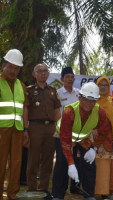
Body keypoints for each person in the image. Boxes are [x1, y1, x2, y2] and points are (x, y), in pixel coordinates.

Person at [59, 82, 112, 200]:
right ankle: (58, 195)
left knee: (90, 164)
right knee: (62, 163)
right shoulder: (70, 111)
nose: (89, 104)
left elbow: (104, 131)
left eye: (93, 101)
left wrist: (95, 148)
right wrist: (71, 164)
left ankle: (89, 195)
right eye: (87, 99)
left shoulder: (100, 112)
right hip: (65, 138)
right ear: (80, 98)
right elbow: (65, 141)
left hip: (83, 139)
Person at [26, 63, 61, 199]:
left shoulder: (53, 90)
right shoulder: (29, 90)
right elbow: (26, 110)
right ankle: (32, 188)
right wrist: (26, 128)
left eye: (45, 71)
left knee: (47, 159)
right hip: (35, 127)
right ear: (34, 74)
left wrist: (58, 128)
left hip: (50, 128)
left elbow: (57, 111)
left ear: (48, 74)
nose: (43, 73)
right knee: (33, 158)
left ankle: (44, 189)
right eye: (39, 71)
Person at [0, 49, 29, 200]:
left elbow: (24, 108)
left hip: (17, 130)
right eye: (11, 67)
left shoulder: (21, 85)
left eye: (16, 68)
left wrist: (25, 129)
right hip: (1, 130)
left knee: (16, 163)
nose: (13, 71)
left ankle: (12, 194)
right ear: (4, 65)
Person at [52, 66, 80, 200]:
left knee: (76, 160)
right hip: (61, 133)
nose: (70, 79)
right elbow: (56, 113)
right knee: (62, 162)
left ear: (74, 78)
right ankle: (58, 193)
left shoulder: (78, 94)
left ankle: (75, 187)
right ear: (62, 79)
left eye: (72, 77)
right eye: (67, 77)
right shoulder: (58, 93)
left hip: (76, 134)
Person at [94, 76, 113, 199]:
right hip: (92, 137)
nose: (103, 87)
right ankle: (90, 191)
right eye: (101, 85)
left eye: (106, 85)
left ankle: (104, 192)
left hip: (107, 140)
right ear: (97, 86)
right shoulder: (92, 99)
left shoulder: (111, 101)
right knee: (90, 165)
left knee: (104, 166)